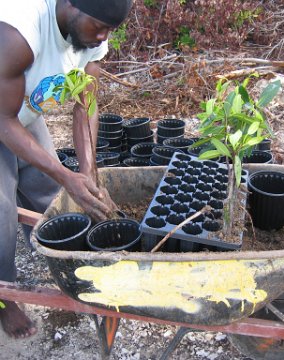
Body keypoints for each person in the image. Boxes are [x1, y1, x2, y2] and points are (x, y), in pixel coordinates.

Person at [0, 0, 132, 339]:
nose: (104, 37)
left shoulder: (93, 37)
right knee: (1, 215)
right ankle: (5, 297)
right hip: (3, 115)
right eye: (99, 26)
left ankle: (58, 261)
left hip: (20, 112)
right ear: (71, 5)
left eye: (111, 31)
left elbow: (85, 102)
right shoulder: (18, 31)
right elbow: (2, 120)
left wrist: (86, 170)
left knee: (50, 193)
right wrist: (65, 174)